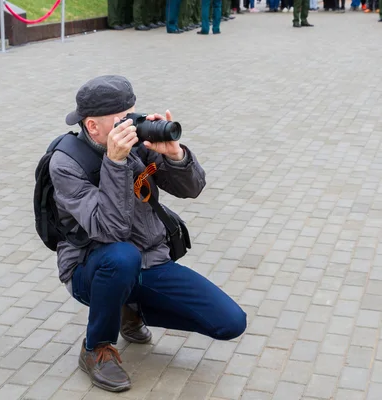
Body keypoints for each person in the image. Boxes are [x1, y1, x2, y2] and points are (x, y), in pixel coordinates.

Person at [49, 75, 247, 392]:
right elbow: (109, 229)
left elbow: (193, 188)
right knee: (122, 255)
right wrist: (115, 162)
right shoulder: (66, 163)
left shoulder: (138, 145)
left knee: (230, 323)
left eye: (132, 115)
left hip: (150, 262)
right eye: (121, 121)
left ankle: (129, 307)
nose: (132, 124)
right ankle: (96, 348)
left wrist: (174, 154)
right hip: (92, 267)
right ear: (92, 127)